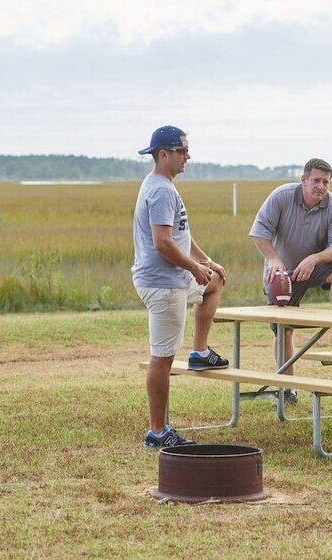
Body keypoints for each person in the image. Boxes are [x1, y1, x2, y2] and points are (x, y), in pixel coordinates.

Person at [132, 125, 229, 450]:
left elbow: (180, 236)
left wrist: (207, 263)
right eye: (182, 151)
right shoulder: (160, 190)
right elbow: (162, 243)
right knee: (162, 358)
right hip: (163, 284)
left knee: (214, 282)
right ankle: (158, 433)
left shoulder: (164, 186)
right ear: (164, 154)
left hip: (174, 278)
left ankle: (200, 352)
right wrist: (193, 268)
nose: (188, 156)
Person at [249, 158, 332, 405]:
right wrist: (273, 260)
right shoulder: (281, 196)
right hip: (282, 274)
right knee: (284, 331)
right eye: (316, 180)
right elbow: (259, 232)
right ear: (304, 179)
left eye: (326, 182)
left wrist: (314, 259)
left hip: (314, 267)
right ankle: (288, 389)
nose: (321, 186)